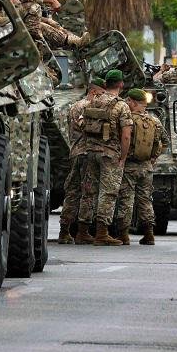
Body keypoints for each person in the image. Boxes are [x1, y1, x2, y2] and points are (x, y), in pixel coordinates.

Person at [75, 69, 132, 246]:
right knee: (108, 192)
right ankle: (101, 233)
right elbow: (126, 136)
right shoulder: (121, 106)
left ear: (106, 84)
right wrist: (123, 157)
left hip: (90, 152)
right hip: (110, 154)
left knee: (88, 191)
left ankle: (82, 232)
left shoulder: (93, 100)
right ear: (121, 84)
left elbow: (81, 122)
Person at [115, 89, 165, 245]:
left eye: (128, 101)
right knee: (145, 200)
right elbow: (164, 142)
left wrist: (122, 158)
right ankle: (149, 233)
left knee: (126, 199)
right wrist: (153, 158)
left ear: (133, 102)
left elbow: (122, 139)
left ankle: (123, 235)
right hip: (147, 167)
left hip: (129, 165)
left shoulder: (127, 119)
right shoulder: (154, 121)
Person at [58, 77, 105, 244]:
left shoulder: (76, 105)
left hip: (77, 153)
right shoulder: (86, 107)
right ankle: (82, 232)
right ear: (93, 92)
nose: (103, 97)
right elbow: (87, 127)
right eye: (101, 93)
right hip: (85, 153)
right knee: (88, 192)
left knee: (73, 192)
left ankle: (65, 230)